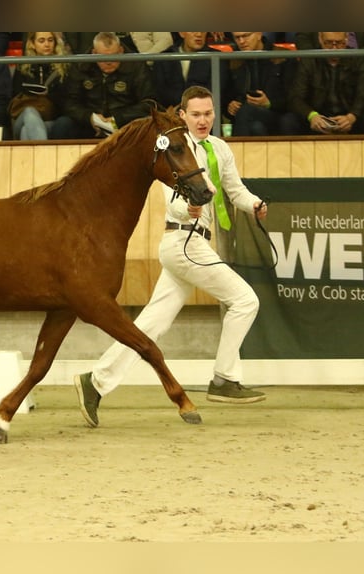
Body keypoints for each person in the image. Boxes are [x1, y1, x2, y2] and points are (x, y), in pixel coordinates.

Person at [74, 85, 268, 428]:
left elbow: (234, 189)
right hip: (184, 243)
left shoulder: (219, 148)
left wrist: (254, 204)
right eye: (195, 114)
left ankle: (96, 382)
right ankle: (224, 378)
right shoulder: (172, 146)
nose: (203, 120)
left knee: (151, 324)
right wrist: (189, 207)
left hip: (195, 245)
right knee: (245, 301)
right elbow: (174, 198)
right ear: (182, 115)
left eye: (208, 113)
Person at [51, 32, 156, 139]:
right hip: (89, 122)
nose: (109, 62)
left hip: (126, 123)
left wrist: (117, 119)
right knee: (62, 125)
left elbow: (150, 103)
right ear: (94, 53)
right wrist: (90, 117)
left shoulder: (137, 66)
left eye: (113, 56)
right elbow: (69, 102)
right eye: (103, 58)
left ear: (121, 51)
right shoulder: (81, 65)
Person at [280, 32, 364, 135]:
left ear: (346, 39)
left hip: (349, 113)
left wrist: (352, 116)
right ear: (320, 39)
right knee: (289, 121)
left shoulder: (358, 58)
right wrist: (312, 115)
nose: (334, 48)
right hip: (317, 114)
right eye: (328, 43)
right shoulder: (309, 60)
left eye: (339, 43)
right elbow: (295, 97)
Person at [225, 32, 291, 135]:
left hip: (277, 113)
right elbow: (226, 93)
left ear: (259, 34)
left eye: (246, 36)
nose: (241, 41)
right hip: (246, 116)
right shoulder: (233, 60)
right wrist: (230, 105)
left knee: (246, 111)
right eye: (237, 38)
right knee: (256, 127)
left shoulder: (282, 56)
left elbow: (293, 98)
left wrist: (269, 103)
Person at [8, 32, 69, 140]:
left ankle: (35, 156)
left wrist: (49, 94)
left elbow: (67, 102)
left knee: (26, 131)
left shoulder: (64, 67)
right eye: (41, 41)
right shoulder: (22, 65)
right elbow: (15, 95)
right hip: (22, 118)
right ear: (32, 44)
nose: (47, 44)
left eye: (50, 40)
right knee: (30, 112)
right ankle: (44, 155)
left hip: (51, 120)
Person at [152, 32, 229, 109]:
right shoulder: (164, 58)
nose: (199, 34)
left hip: (203, 113)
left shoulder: (217, 58)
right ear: (182, 33)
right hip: (172, 114)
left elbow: (216, 93)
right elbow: (161, 93)